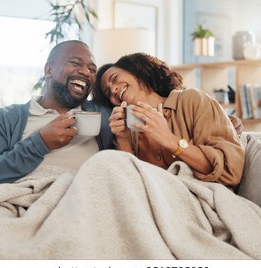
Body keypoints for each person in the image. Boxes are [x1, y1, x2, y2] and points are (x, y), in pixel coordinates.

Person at [0, 40, 114, 191]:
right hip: (22, 200)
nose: (86, 72)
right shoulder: (6, 118)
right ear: (48, 70)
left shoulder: (102, 115)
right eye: (75, 63)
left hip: (81, 200)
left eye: (92, 69)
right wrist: (40, 143)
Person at [93, 53, 244, 187]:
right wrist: (123, 139)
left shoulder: (192, 100)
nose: (113, 90)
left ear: (137, 70)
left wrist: (170, 140)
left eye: (114, 79)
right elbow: (128, 185)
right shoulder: (130, 128)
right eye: (108, 93)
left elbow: (231, 171)